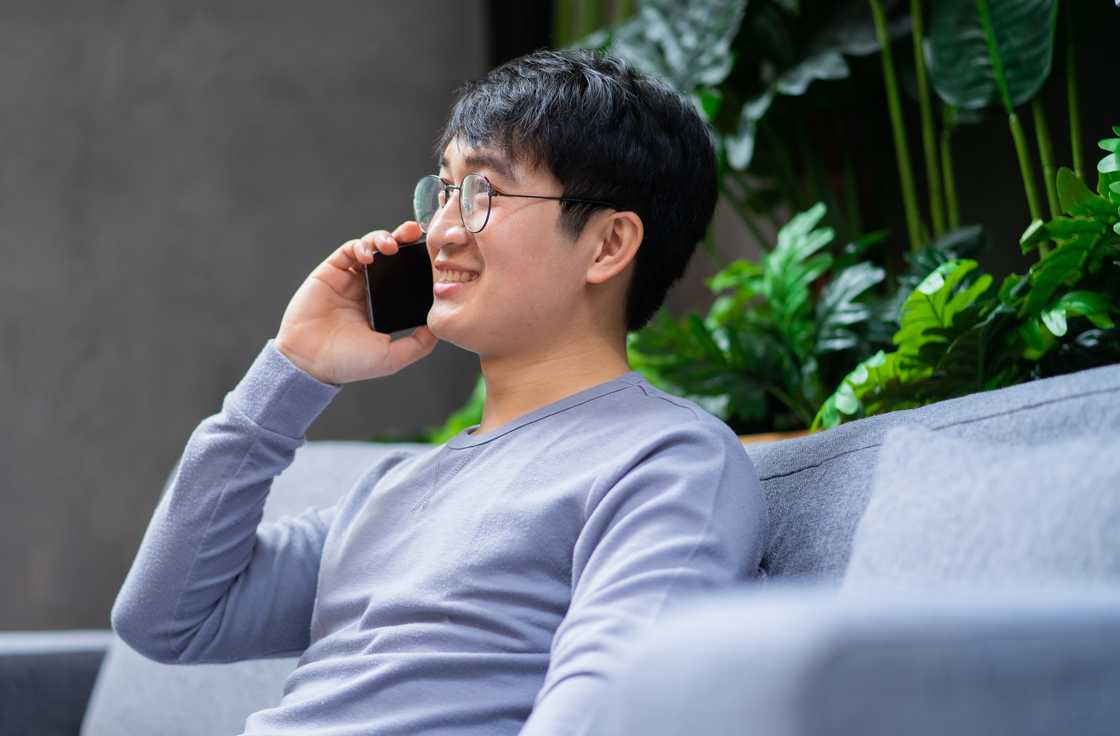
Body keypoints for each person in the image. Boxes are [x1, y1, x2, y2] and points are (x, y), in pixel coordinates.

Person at [111, 47, 768, 735]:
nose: (442, 231)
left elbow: (606, 713)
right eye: (446, 191)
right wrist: (292, 370)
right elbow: (164, 618)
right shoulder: (392, 490)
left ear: (607, 245)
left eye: (485, 193)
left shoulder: (667, 462)